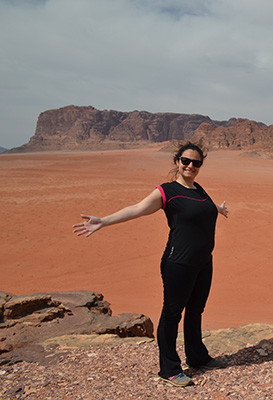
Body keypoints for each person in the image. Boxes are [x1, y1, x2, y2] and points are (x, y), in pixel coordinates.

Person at [73, 141, 228, 387]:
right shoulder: (167, 191)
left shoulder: (199, 190)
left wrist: (216, 208)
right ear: (177, 162)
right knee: (172, 313)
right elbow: (138, 208)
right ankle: (169, 369)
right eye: (186, 161)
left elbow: (200, 209)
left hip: (203, 262)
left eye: (196, 163)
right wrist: (103, 221)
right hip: (178, 263)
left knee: (196, 310)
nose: (190, 166)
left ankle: (197, 357)